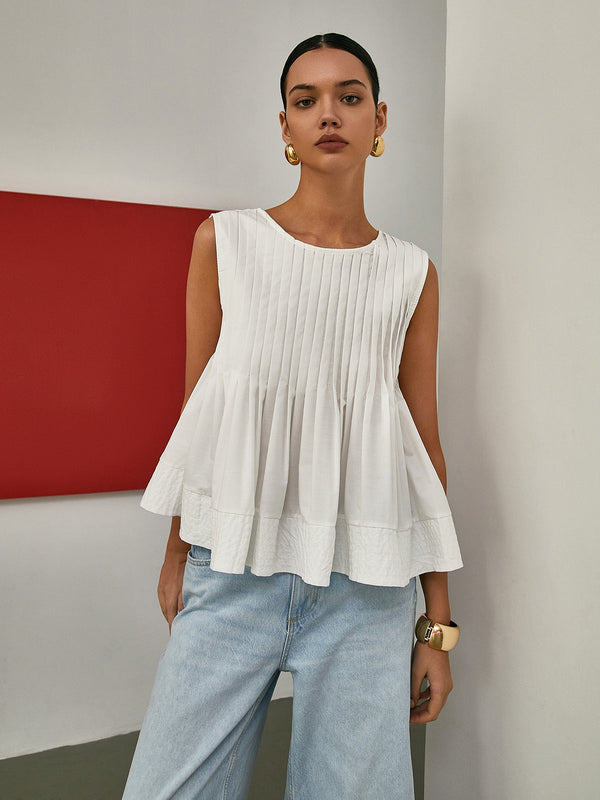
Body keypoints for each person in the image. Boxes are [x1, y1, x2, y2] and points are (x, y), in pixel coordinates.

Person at [122, 32, 463, 800]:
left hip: (368, 591)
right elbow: (198, 418)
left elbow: (425, 449)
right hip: (232, 567)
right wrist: (178, 553)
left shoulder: (411, 274)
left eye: (348, 97)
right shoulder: (226, 242)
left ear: (380, 120)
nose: (328, 115)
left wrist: (436, 627)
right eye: (305, 101)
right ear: (285, 129)